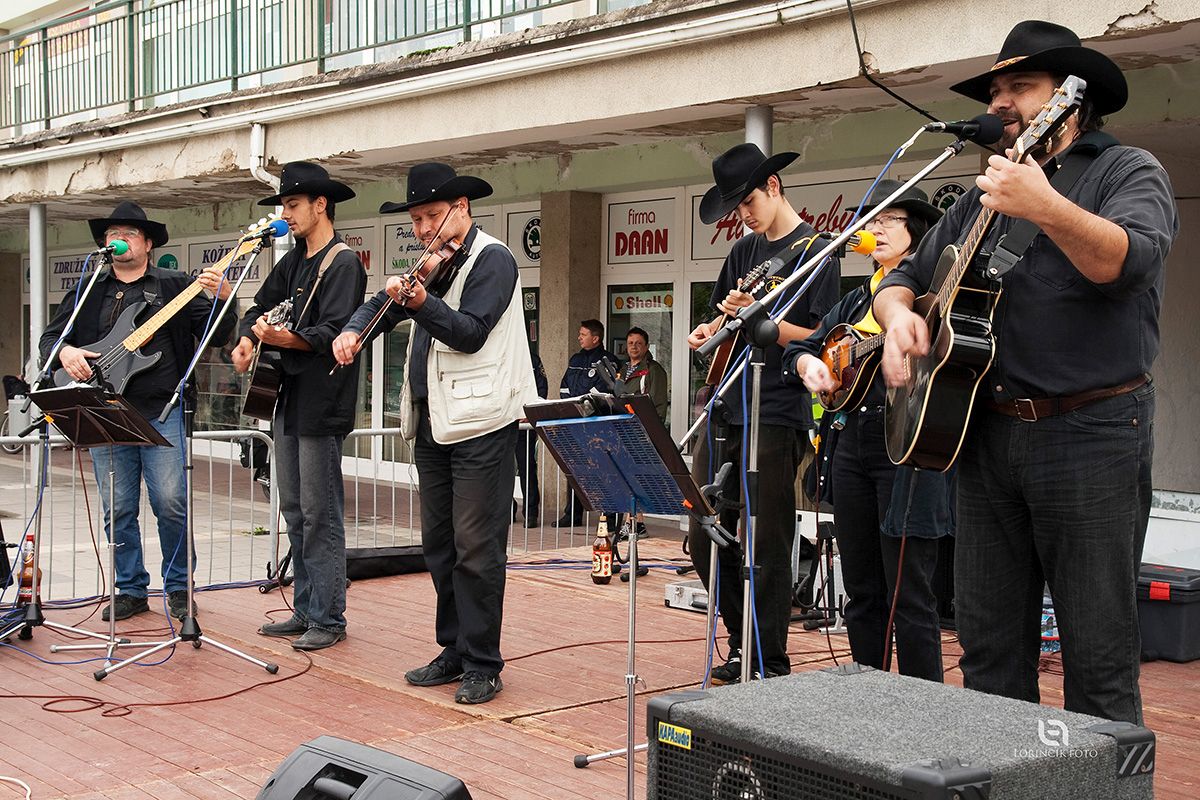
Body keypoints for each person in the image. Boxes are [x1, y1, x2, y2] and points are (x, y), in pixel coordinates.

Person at [873, 21, 1178, 723]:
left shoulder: (1127, 171)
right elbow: (905, 278)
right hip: (985, 437)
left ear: (1071, 100)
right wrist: (897, 319)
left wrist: (1045, 205)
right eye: (996, 91)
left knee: (1098, 658)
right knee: (988, 654)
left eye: (1021, 86)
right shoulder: (980, 193)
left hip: (1091, 433)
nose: (1001, 102)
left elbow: (1127, 262)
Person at [333, 162, 539, 704]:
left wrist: (421, 302)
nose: (422, 229)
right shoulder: (432, 264)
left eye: (431, 217)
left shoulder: (494, 259)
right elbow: (380, 307)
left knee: (477, 549)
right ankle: (454, 648)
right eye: (416, 220)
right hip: (432, 423)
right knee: (440, 546)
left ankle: (483, 663)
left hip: (482, 425)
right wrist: (353, 331)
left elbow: (470, 333)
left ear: (461, 208)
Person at [782, 182, 952, 682]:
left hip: (908, 444)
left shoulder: (933, 298)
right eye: (871, 221)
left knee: (910, 594)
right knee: (860, 589)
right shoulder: (857, 300)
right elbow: (801, 349)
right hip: (851, 443)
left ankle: (923, 708)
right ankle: (867, 697)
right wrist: (809, 364)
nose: (875, 229)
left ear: (916, 232)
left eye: (888, 220)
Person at [686, 143, 840, 683]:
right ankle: (741, 639)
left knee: (770, 541)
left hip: (777, 407)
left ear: (773, 186)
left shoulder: (817, 251)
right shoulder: (743, 252)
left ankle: (768, 659)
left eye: (748, 202)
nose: (744, 215)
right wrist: (709, 331)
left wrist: (762, 321)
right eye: (736, 208)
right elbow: (722, 323)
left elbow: (820, 335)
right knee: (702, 532)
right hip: (727, 403)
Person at [38, 200, 234, 622]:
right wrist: (66, 352)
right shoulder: (89, 288)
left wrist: (223, 299)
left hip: (161, 409)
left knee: (171, 502)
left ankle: (179, 587)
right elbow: (51, 340)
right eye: (112, 235)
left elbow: (216, 335)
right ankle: (130, 588)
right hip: (105, 411)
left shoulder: (174, 285)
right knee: (119, 506)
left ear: (147, 244)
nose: (118, 240)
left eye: (128, 233)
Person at [231, 162, 365, 652]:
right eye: (283, 205)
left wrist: (283, 338)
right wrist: (248, 339)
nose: (284, 214)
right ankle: (306, 608)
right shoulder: (291, 262)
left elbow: (333, 332)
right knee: (292, 506)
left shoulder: (343, 263)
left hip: (322, 403)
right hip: (284, 398)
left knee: (319, 511)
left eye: (292, 205)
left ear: (320, 205)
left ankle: (329, 616)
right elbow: (257, 307)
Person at [554, 319, 619, 527]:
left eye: (583, 334)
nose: (579, 337)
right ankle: (573, 513)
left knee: (605, 469)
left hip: (597, 423)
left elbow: (603, 390)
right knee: (575, 468)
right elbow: (564, 386)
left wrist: (582, 405)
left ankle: (609, 516)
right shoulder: (575, 359)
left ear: (596, 338)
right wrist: (570, 406)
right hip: (574, 422)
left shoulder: (608, 361)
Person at [610, 325, 669, 540]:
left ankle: (635, 523)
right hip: (624, 430)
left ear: (646, 347)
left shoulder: (654, 370)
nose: (634, 347)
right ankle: (635, 523)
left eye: (638, 343)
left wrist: (650, 431)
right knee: (627, 477)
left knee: (637, 478)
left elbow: (658, 406)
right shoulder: (623, 369)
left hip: (642, 432)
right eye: (630, 343)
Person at [514, 347, 548, 524]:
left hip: (524, 423)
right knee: (501, 469)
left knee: (527, 468)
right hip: (504, 422)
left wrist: (531, 412)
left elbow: (541, 389)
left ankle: (531, 512)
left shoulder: (532, 360)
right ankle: (507, 510)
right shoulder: (500, 355)